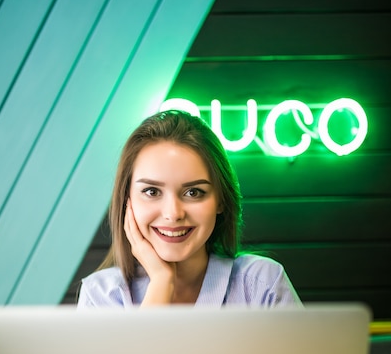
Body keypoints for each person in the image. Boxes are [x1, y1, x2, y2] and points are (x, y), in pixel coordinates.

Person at [77, 110, 301, 308]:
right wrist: (162, 282)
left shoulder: (261, 283)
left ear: (221, 200)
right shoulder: (101, 296)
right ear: (128, 201)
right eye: (152, 192)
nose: (173, 213)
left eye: (193, 192)